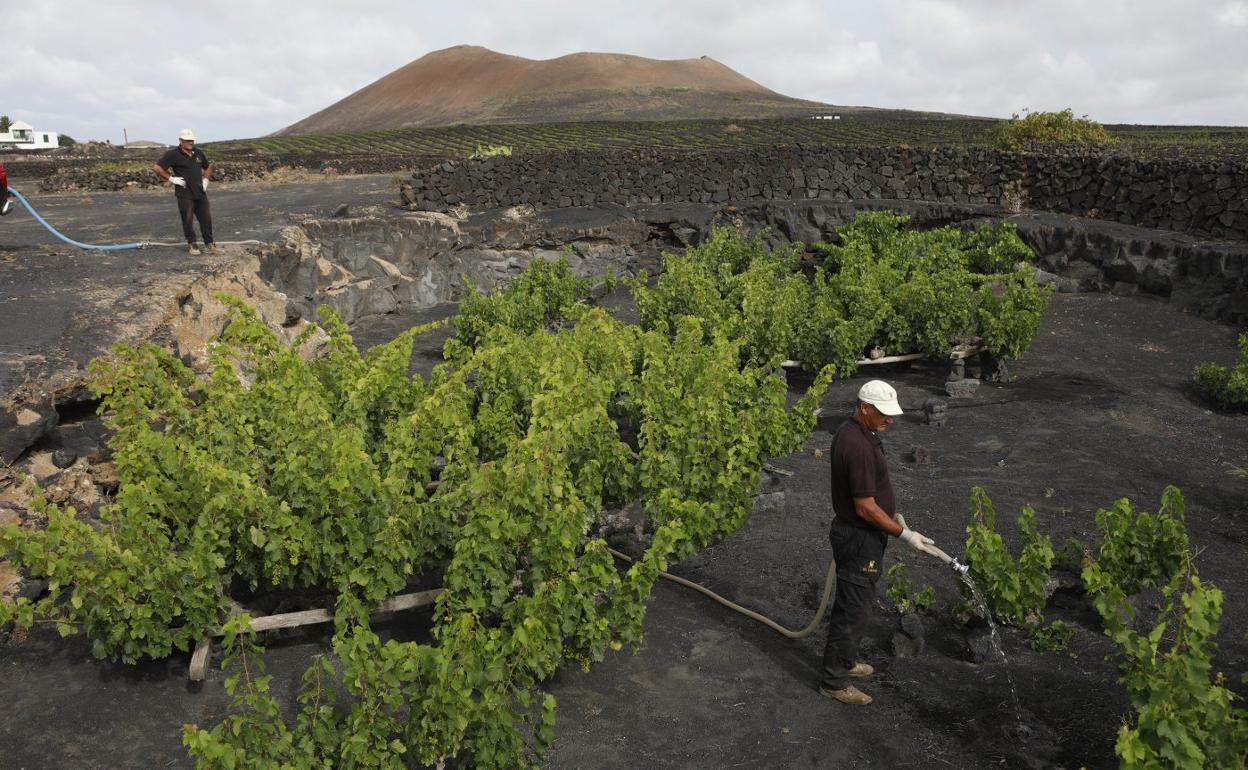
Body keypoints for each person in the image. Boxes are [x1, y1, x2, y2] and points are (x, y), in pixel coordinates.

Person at [819, 379, 935, 706]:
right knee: (852, 609)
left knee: (859, 603)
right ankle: (833, 682)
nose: (891, 420)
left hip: (861, 535)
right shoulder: (856, 446)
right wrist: (906, 535)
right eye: (884, 414)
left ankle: (845, 662)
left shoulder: (858, 432)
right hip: (859, 539)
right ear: (865, 408)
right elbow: (865, 507)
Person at [153, 128, 213, 254]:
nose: (191, 142)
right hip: (185, 193)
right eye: (187, 140)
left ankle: (210, 244)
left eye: (192, 140)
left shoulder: (198, 153)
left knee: (206, 218)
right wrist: (171, 179)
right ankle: (193, 244)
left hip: (200, 192)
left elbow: (208, 167)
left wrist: (206, 180)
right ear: (181, 141)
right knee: (188, 219)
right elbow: (157, 168)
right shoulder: (173, 154)